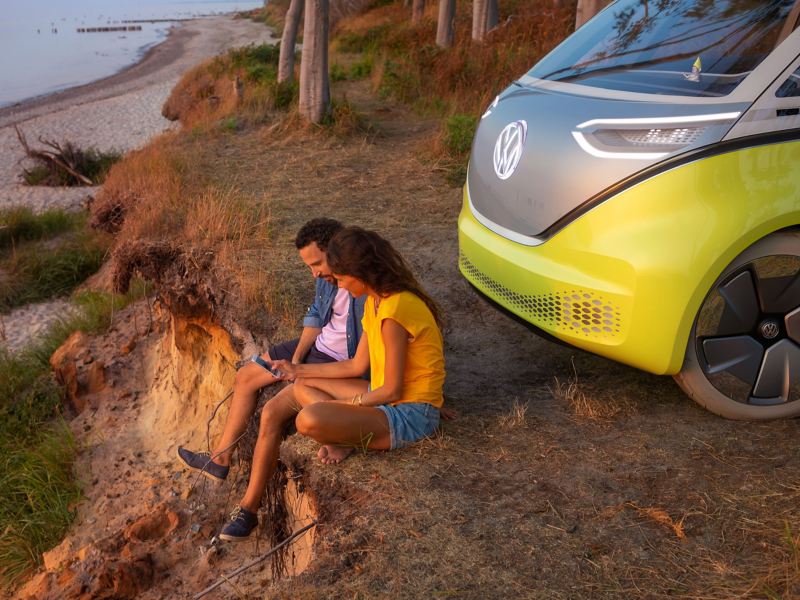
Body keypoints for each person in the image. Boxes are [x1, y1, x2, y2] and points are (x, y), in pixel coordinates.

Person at [217, 226, 446, 541]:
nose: (336, 284)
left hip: (408, 412)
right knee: (276, 407)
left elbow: (392, 390)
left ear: (358, 273)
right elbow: (357, 365)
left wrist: (344, 409)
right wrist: (297, 370)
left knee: (308, 418)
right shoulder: (375, 303)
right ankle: (247, 511)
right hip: (386, 396)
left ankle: (346, 434)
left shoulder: (394, 311)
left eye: (340, 278)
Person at [176, 218, 366, 482]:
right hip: (316, 346)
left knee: (272, 413)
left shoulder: (365, 290)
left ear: (336, 252)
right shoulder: (325, 276)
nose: (313, 273)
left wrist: (301, 370)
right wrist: (297, 357)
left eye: (316, 264)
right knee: (245, 377)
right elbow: (315, 315)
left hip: (337, 360)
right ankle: (219, 459)